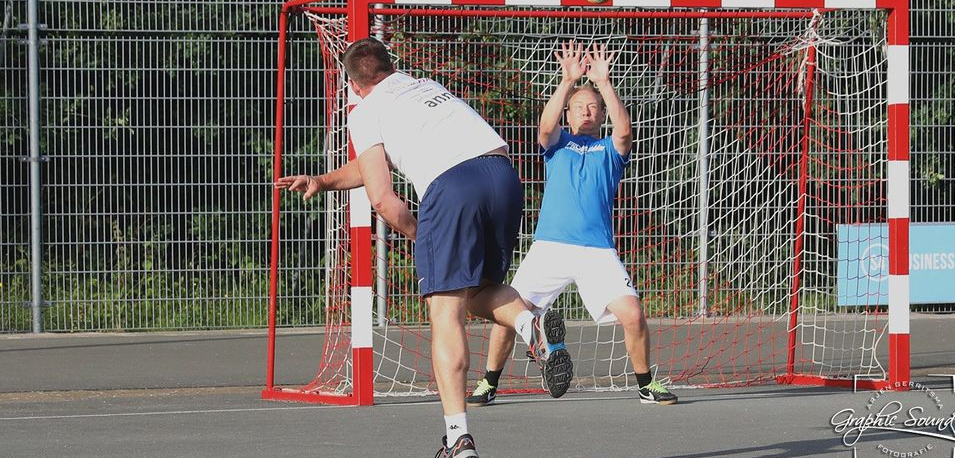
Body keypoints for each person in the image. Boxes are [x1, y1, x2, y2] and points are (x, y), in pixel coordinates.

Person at [274, 36, 574, 458]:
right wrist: (323, 181)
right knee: (477, 290)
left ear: (354, 84)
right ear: (389, 66)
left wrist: (420, 233)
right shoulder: (426, 86)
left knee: (445, 310)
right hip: (501, 176)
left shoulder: (364, 111)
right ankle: (530, 325)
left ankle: (458, 439)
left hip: (452, 188)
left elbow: (382, 198)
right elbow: (372, 162)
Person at [466, 40, 678, 408]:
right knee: (511, 313)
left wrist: (604, 84)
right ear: (569, 113)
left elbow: (625, 132)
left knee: (633, 313)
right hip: (550, 246)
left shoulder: (610, 151)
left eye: (593, 108)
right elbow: (544, 127)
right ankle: (489, 382)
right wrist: (568, 80)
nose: (587, 112)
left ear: (600, 116)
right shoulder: (558, 143)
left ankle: (646, 385)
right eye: (580, 107)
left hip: (597, 250)